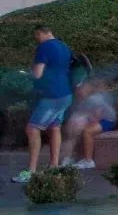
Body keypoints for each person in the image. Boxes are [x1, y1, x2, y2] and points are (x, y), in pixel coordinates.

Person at [15, 25, 74, 183]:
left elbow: (37, 74)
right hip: (66, 94)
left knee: (32, 129)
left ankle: (31, 171)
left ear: (41, 33)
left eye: (36, 36)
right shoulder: (64, 46)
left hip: (52, 96)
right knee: (54, 127)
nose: (36, 39)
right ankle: (54, 167)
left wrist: (28, 73)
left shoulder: (44, 47)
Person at [60, 80, 117, 170]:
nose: (79, 92)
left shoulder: (94, 98)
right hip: (100, 119)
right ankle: (72, 158)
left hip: (107, 121)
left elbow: (98, 115)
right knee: (75, 131)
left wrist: (85, 123)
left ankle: (88, 161)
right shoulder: (82, 100)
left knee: (87, 132)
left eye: (81, 89)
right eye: (77, 90)